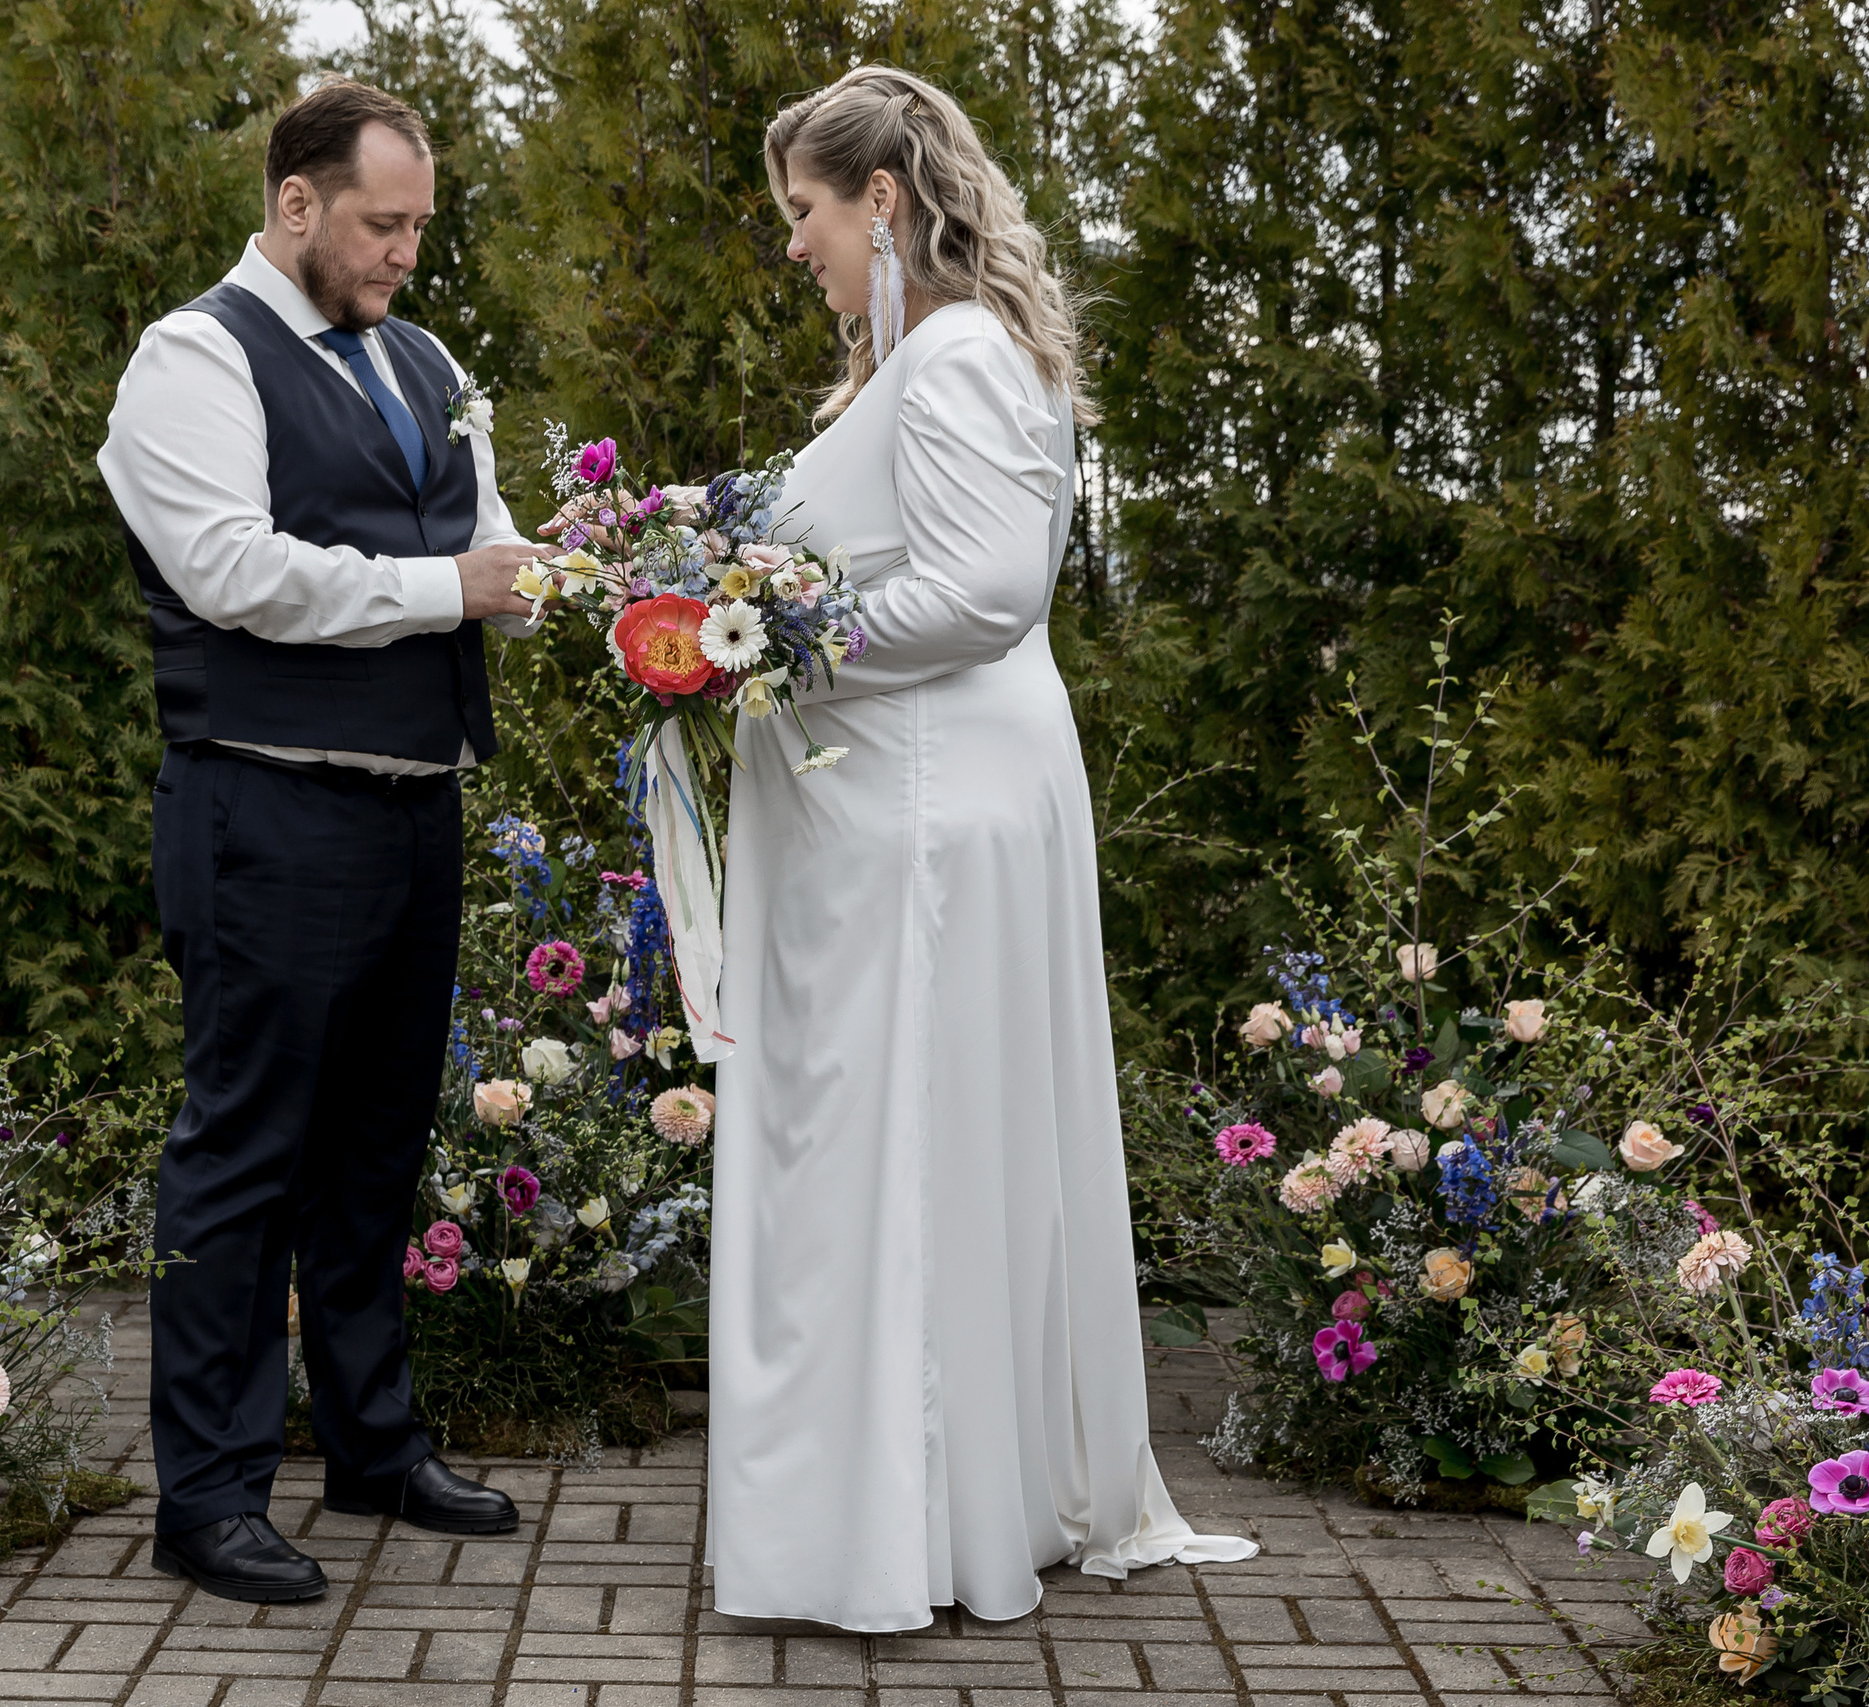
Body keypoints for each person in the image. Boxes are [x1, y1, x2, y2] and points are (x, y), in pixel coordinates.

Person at [705, 66, 1260, 1631]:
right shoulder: (937, 359)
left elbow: (984, 594)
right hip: (919, 793)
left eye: (804, 213)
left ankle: (914, 1527)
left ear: (879, 200)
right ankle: (931, 1504)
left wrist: (759, 645)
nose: (795, 246)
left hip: (931, 811)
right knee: (918, 1139)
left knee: (912, 1142)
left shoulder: (948, 356)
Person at [97, 79, 544, 1603]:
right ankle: (208, 1497)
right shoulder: (191, 358)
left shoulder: (424, 359)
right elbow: (234, 574)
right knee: (241, 1159)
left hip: (416, 809)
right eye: (381, 222)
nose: (407, 253)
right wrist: (452, 592)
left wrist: (632, 574)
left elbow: (492, 536)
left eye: (420, 225)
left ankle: (372, 1447)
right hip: (263, 808)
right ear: (296, 203)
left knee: (373, 1151)